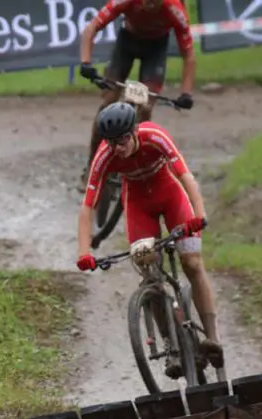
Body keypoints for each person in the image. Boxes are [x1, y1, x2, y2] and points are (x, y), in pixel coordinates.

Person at [75, 102, 223, 377]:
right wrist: (84, 252)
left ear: (134, 131)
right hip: (139, 205)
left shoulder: (154, 136)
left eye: (122, 140)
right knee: (149, 274)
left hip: (171, 197)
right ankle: (171, 347)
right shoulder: (105, 155)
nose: (118, 148)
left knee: (191, 263)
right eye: (112, 142)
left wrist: (199, 214)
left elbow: (185, 176)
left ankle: (212, 337)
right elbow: (87, 206)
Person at [78, 0, 196, 189]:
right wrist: (85, 63)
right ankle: (92, 166)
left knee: (145, 107)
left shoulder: (174, 9)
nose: (150, 6)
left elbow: (188, 54)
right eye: (146, 1)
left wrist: (186, 93)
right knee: (108, 102)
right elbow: (91, 28)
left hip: (155, 50)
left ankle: (137, 167)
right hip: (127, 43)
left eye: (155, 2)